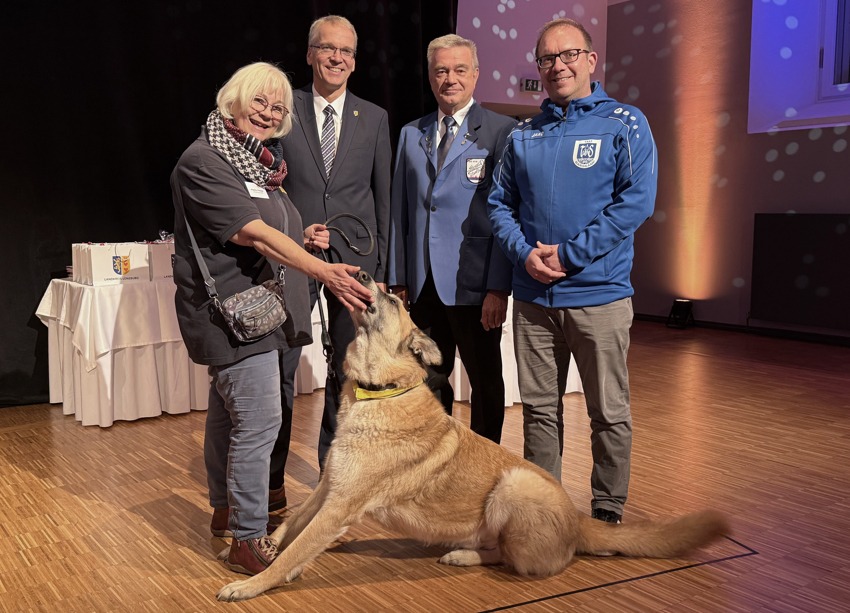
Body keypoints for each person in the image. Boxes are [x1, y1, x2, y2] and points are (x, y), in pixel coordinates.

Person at [170, 61, 373, 576]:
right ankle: (248, 538)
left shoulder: (259, 165)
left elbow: (271, 226)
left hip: (261, 313)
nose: (268, 113)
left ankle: (226, 513)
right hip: (233, 316)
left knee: (228, 418)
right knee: (260, 423)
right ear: (233, 99)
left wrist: (304, 239)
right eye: (259, 101)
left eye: (278, 107)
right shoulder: (204, 160)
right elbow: (253, 234)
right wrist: (323, 271)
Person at [488, 18, 658, 524]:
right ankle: (547, 512)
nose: (557, 66)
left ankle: (607, 511)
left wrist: (569, 256)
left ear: (590, 60)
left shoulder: (626, 123)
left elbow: (635, 204)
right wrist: (525, 254)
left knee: (607, 413)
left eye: (567, 55)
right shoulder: (524, 134)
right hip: (534, 299)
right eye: (546, 59)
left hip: (600, 296)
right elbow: (500, 205)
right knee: (539, 412)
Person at [271, 15, 392, 480]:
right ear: (310, 54)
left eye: (346, 51)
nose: (337, 58)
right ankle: (272, 480)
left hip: (356, 263)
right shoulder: (283, 109)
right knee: (282, 369)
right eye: (328, 48)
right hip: (293, 258)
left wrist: (381, 270)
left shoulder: (375, 118)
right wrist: (294, 231)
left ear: (355, 61)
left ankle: (336, 477)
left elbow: (383, 198)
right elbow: (266, 184)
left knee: (349, 371)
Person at [388, 34, 515, 443]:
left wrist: (499, 286)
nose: (450, 78)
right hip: (422, 285)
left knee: (486, 383)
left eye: (460, 69)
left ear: (476, 74)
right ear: (429, 76)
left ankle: (482, 467)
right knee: (427, 383)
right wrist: (398, 279)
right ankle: (433, 466)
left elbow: (506, 215)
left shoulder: (501, 131)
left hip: (475, 283)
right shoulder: (411, 133)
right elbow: (399, 211)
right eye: (441, 70)